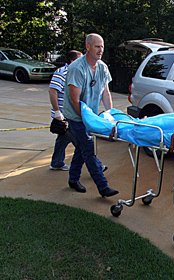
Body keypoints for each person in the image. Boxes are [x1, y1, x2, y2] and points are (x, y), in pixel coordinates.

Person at [62, 33, 118, 197]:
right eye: (97, 46)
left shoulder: (102, 67)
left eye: (102, 46)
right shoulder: (77, 69)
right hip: (76, 116)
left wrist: (110, 115)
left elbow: (105, 93)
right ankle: (103, 187)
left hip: (90, 116)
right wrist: (88, 121)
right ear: (87, 47)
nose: (100, 50)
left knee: (81, 148)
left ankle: (73, 179)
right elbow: (74, 100)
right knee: (88, 149)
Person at [48, 50, 82, 171]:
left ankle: (57, 162)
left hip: (72, 114)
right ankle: (96, 165)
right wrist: (57, 112)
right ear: (73, 60)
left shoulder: (76, 73)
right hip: (64, 115)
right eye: (80, 59)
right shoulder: (61, 73)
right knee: (81, 142)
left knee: (63, 139)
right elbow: (53, 91)